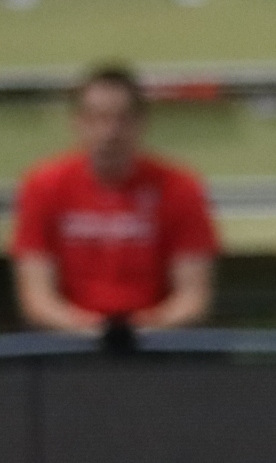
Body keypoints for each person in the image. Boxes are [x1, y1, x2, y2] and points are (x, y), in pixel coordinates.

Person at [11, 64, 216, 340]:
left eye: (122, 119)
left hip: (156, 344)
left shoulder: (180, 188)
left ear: (141, 122)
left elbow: (192, 296)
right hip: (67, 345)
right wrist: (93, 330)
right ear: (78, 122)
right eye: (98, 118)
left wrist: (138, 330)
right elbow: (37, 297)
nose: (110, 132)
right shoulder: (43, 186)